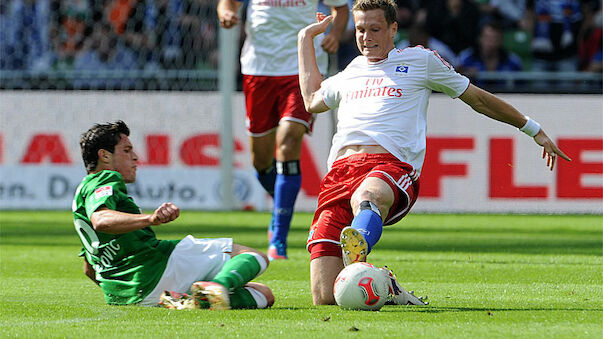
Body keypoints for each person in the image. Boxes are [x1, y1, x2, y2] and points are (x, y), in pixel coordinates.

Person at [297, 0, 571, 305]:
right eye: (360, 29)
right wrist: (305, 39)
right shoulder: (351, 71)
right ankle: (385, 285)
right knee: (325, 297)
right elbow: (311, 99)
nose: (365, 36)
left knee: (368, 196)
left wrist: (532, 128)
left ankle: (358, 244)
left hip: (390, 167)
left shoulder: (420, 61)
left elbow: (477, 99)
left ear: (393, 29)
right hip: (339, 174)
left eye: (374, 29)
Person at [72, 120, 274, 310]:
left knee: (263, 294)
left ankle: (191, 302)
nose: (135, 157)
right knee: (253, 256)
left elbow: (89, 269)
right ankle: (216, 286)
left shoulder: (81, 196)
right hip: (154, 267)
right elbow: (101, 220)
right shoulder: (106, 177)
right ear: (105, 156)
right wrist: (150, 219)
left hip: (134, 297)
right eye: (126, 150)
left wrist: (127, 290)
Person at [217, 0, 349, 260]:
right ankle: (282, 203)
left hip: (302, 69)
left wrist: (334, 34)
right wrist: (228, 13)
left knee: (288, 142)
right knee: (261, 161)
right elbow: (227, 3)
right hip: (258, 70)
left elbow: (341, 8)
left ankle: (279, 238)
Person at [456, 21, 523, 86]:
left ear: (501, 40)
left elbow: (523, 86)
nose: (491, 42)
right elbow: (455, 77)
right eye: (487, 37)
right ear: (480, 38)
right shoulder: (465, 58)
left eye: (495, 38)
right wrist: (465, 74)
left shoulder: (513, 61)